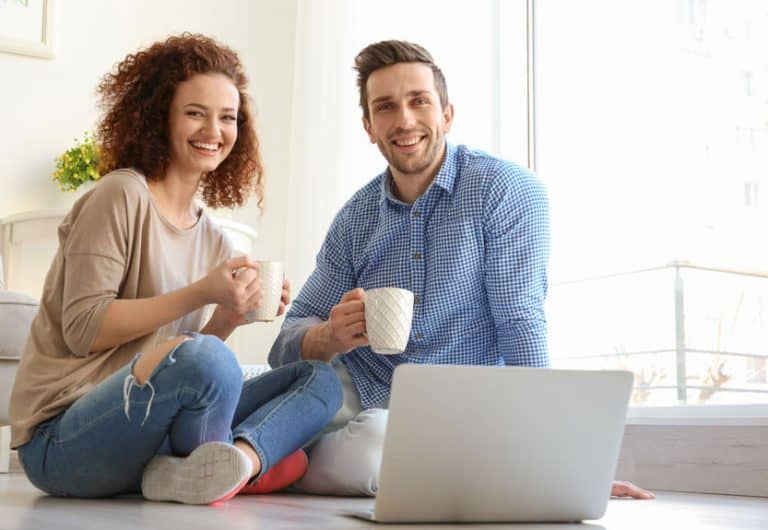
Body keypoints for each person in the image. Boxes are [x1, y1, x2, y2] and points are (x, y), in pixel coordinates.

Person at [269, 39, 654, 501]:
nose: (404, 120)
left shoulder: (504, 191)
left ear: (447, 114)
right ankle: (276, 455)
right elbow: (286, 342)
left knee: (374, 446)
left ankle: (280, 462)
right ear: (369, 126)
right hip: (358, 393)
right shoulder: (355, 218)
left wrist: (558, 464)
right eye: (385, 107)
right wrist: (329, 336)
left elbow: (520, 321)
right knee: (281, 397)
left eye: (419, 101)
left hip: (458, 413)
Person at [9, 34, 342, 505]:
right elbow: (84, 330)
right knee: (210, 360)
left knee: (319, 380)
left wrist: (228, 317)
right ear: (159, 115)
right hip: (62, 438)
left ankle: (234, 463)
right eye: (195, 113)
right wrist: (203, 292)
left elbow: (181, 365)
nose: (214, 130)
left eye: (228, 117)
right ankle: (227, 465)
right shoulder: (120, 196)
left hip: (148, 427)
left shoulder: (214, 239)